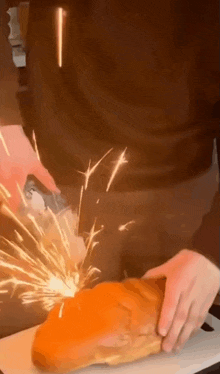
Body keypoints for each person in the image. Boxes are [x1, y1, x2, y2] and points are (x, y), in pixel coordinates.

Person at [0, 0, 219, 354]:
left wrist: (213, 249)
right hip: (54, 185)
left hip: (191, 197)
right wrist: (3, 121)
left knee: (181, 350)